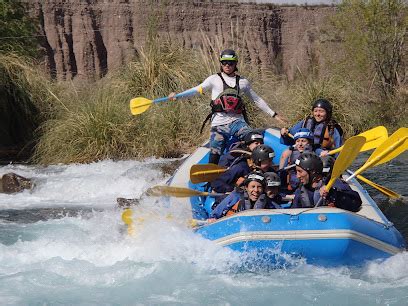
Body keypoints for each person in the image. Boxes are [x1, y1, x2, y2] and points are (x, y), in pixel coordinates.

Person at [168, 49, 287, 165]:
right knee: (215, 151)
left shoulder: (243, 82)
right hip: (219, 124)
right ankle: (212, 175)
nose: (227, 65)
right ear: (221, 63)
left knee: (254, 138)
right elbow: (196, 90)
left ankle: (255, 165)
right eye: (224, 62)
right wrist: (178, 96)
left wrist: (274, 115)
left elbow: (256, 99)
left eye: (230, 63)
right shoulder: (214, 79)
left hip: (237, 122)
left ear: (235, 64)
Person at [292, 153, 362, 212]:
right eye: (296, 171)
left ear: (312, 172)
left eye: (300, 171)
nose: (297, 176)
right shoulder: (301, 189)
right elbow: (294, 210)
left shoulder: (333, 183)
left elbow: (356, 202)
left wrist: (333, 193)